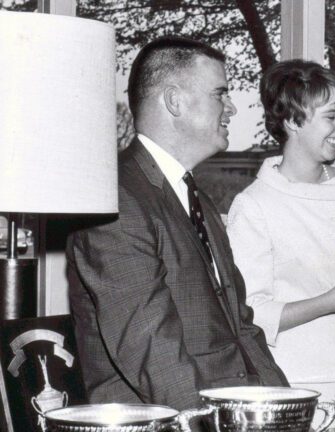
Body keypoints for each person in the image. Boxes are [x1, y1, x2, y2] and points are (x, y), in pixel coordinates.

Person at [66, 36, 288, 411]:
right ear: (174, 101)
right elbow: (152, 351)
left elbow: (242, 329)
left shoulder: (195, 197)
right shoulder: (116, 200)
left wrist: (286, 410)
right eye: (220, 93)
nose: (231, 107)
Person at [226, 59, 335, 431]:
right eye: (331, 116)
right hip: (304, 386)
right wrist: (329, 302)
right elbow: (249, 314)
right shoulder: (255, 205)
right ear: (292, 120)